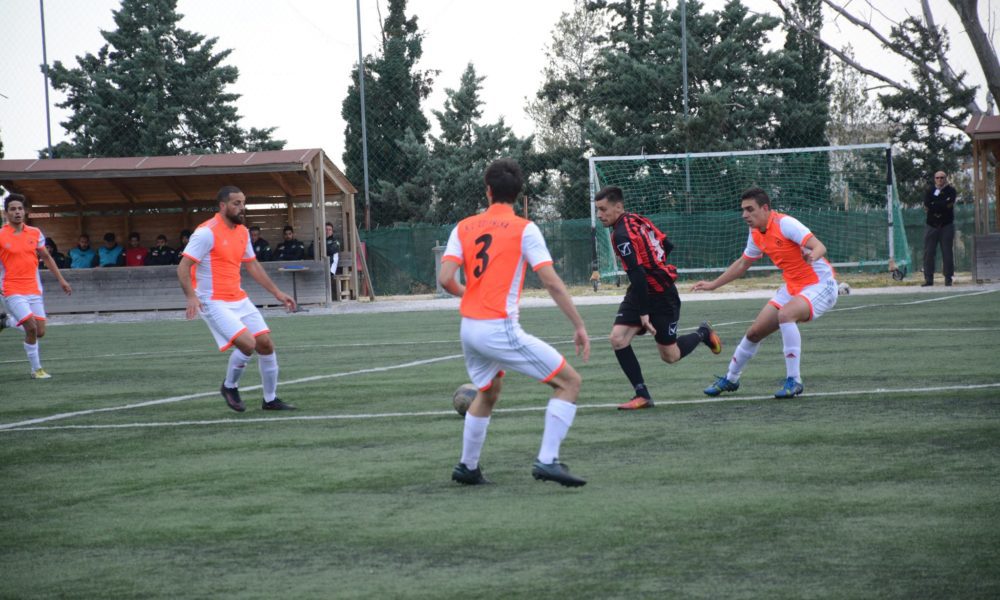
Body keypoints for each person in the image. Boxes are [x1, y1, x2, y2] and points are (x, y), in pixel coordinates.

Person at [438, 158, 591, 487]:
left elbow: (446, 279)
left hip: (469, 328)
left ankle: (467, 467)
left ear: (488, 191)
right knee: (570, 383)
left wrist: (472, 295)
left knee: (489, 390)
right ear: (518, 193)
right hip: (498, 328)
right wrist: (579, 325)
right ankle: (547, 461)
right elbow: (551, 282)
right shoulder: (525, 228)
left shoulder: (463, 227)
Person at [692, 187, 839, 399]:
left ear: (765, 208)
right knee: (754, 333)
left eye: (750, 209)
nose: (744, 215)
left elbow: (820, 247)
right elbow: (743, 263)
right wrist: (713, 285)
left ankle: (794, 380)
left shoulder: (785, 224)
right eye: (743, 210)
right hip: (793, 287)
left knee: (786, 315)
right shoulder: (755, 232)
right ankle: (731, 379)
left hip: (821, 285)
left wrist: (812, 256)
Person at [594, 186, 723, 410]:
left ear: (618, 207)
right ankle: (642, 394)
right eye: (597, 210)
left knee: (670, 356)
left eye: (603, 209)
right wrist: (655, 266)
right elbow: (666, 244)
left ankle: (703, 332)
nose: (599, 215)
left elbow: (638, 273)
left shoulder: (621, 234)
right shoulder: (638, 220)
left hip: (662, 296)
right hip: (640, 291)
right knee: (617, 338)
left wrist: (644, 313)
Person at [177, 186, 298, 412]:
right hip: (213, 301)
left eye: (243, 203)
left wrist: (277, 293)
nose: (242, 208)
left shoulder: (242, 232)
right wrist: (191, 296)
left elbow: (252, 265)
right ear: (222, 206)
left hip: (239, 298)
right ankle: (229, 386)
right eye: (236, 203)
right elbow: (183, 267)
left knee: (266, 345)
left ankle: (270, 400)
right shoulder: (206, 232)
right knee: (248, 343)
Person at [0, 194, 73, 378]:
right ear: (6, 213)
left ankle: (6, 322)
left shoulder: (35, 232)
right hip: (10, 288)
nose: (17, 212)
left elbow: (46, 257)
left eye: (20, 209)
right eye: (12, 209)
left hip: (33, 288)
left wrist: (61, 280)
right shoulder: (1, 235)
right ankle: (36, 370)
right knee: (31, 328)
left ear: (25, 211)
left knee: (39, 331)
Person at [922, 171, 957, 287]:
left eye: (942, 177)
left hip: (946, 225)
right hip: (931, 225)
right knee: (928, 253)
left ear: (945, 178)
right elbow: (927, 204)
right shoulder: (929, 190)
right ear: (934, 179)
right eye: (937, 178)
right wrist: (941, 204)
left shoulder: (951, 191)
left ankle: (948, 278)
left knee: (947, 252)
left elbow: (949, 204)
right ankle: (928, 278)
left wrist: (935, 204)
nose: (940, 180)